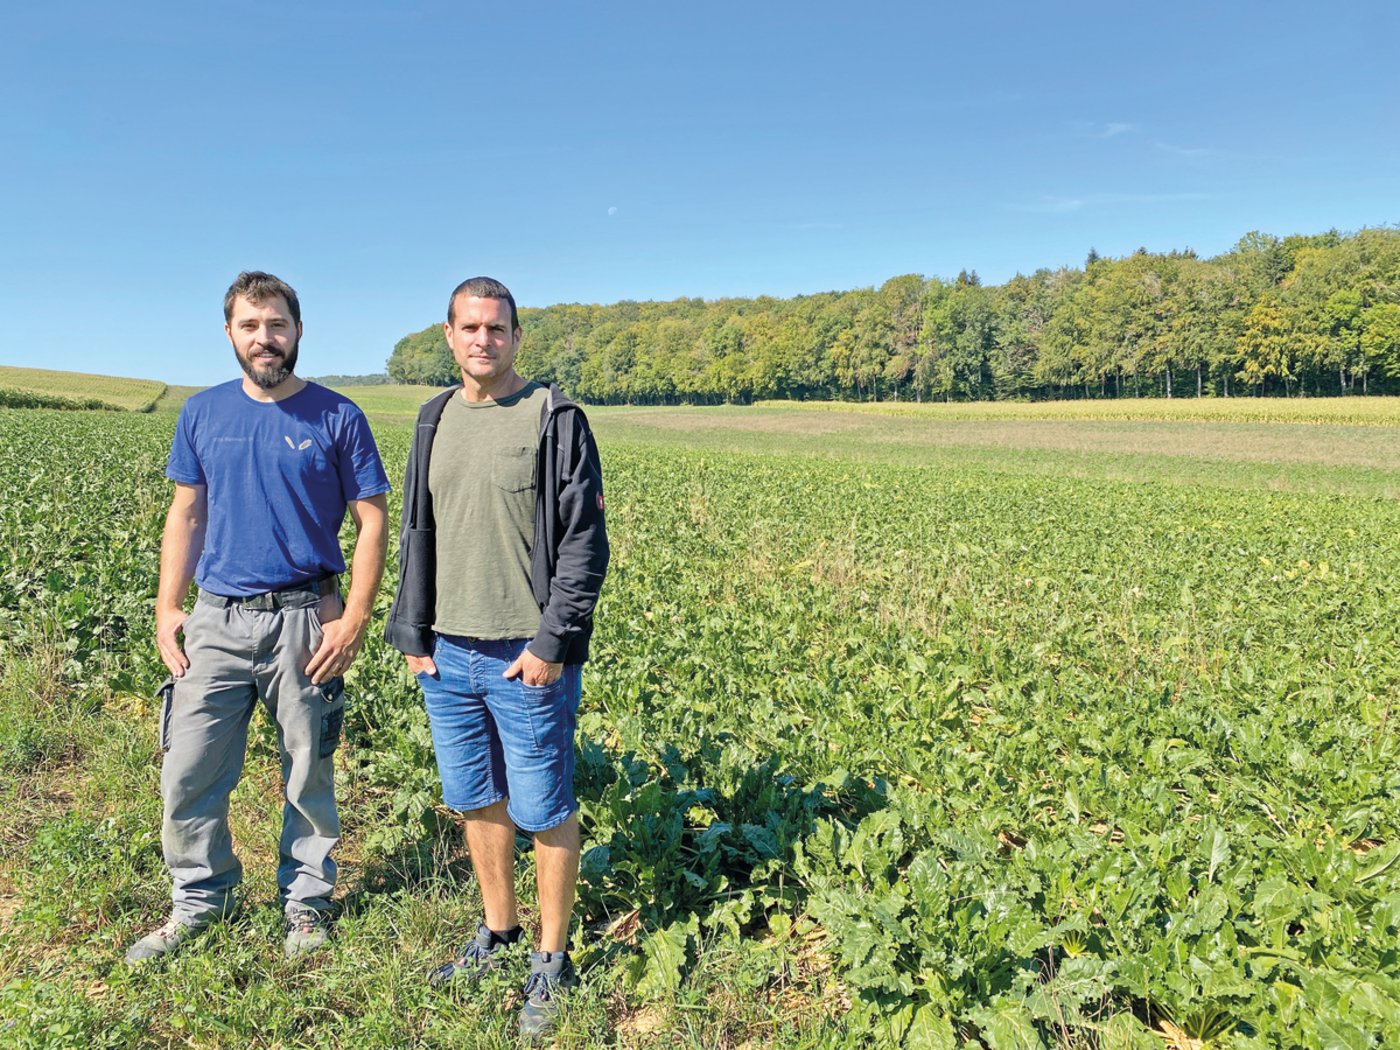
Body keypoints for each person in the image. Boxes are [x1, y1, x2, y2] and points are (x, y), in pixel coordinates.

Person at [126, 271, 390, 964]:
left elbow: (372, 521)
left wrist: (355, 616)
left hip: (305, 620)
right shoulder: (202, 413)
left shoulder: (337, 416)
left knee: (308, 772)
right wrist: (167, 606)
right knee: (188, 770)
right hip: (214, 621)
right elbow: (187, 513)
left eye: (276, 324)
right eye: (250, 325)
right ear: (230, 334)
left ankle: (305, 903)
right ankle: (199, 900)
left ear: (298, 331)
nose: (264, 338)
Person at [384, 276, 608, 1039]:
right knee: (476, 798)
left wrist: (552, 644)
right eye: (471, 327)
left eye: (498, 328)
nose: (484, 339)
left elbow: (584, 545)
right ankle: (500, 931)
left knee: (545, 809)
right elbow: (418, 530)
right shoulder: (433, 418)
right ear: (449, 335)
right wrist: (412, 633)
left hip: (524, 657)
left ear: (516, 337)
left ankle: (552, 958)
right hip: (447, 655)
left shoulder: (553, 417)